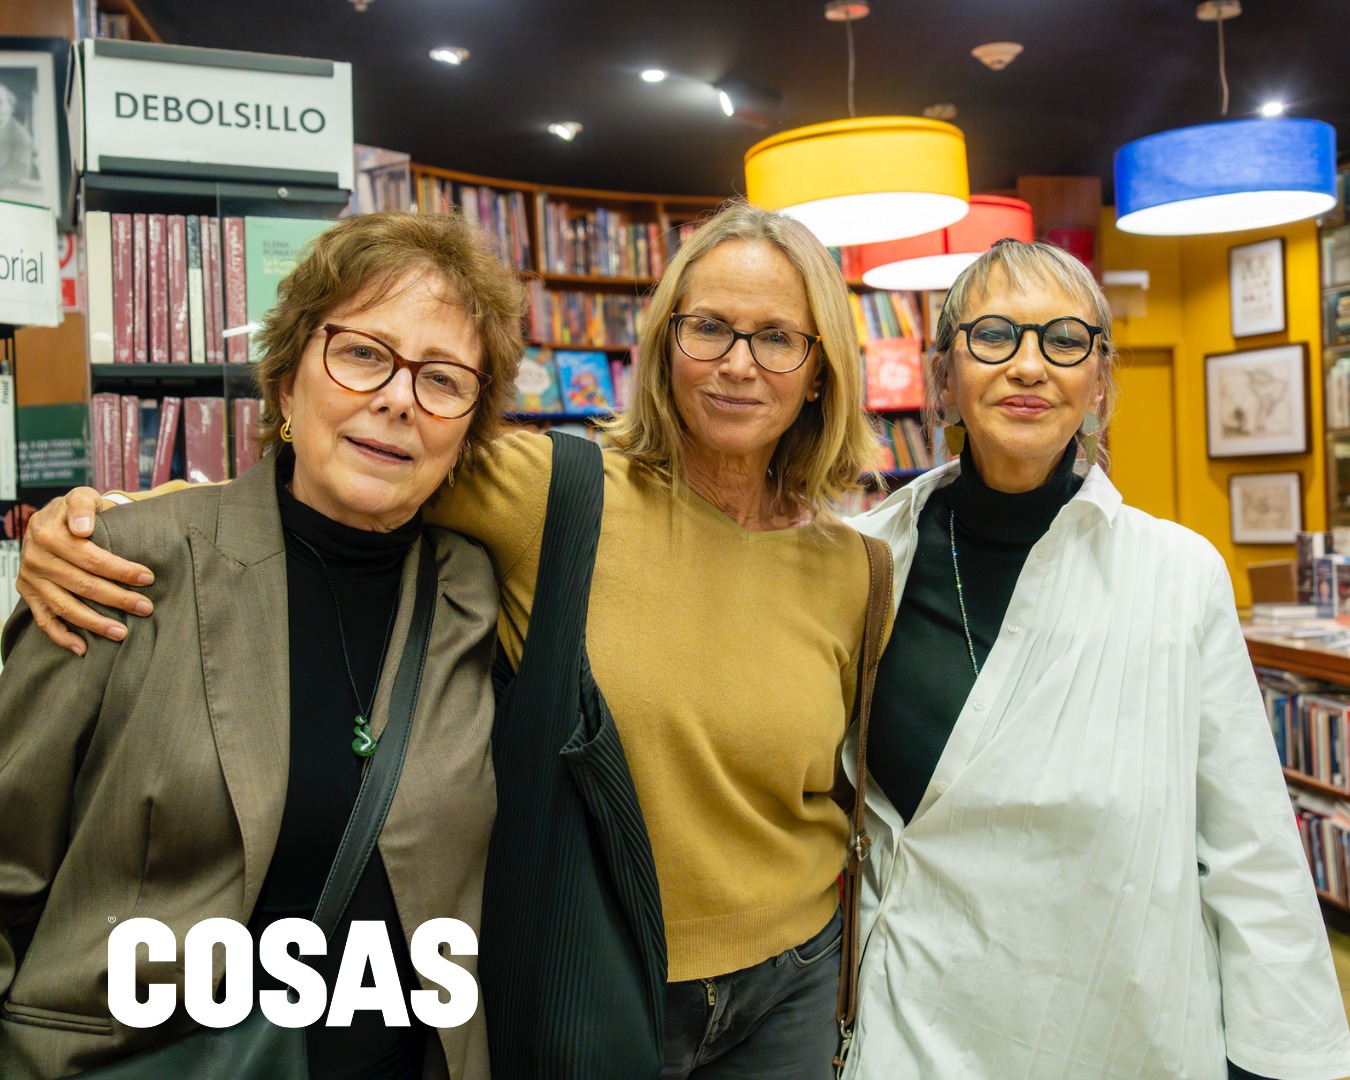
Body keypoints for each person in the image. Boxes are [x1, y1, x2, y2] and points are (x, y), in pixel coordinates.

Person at [13, 200, 885, 1079]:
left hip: (788, 983)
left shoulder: (854, 569)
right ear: (666, 345)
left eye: (779, 338)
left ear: (821, 371)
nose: (739, 362)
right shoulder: (557, 496)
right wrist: (99, 520)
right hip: (600, 986)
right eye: (710, 328)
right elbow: (320, 478)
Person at [0, 210, 524, 1078]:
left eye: (442, 378)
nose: (399, 399)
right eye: (364, 354)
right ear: (286, 384)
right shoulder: (122, 566)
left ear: (469, 426)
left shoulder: (475, 590)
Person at [838, 238, 1350, 1079]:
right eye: (993, 335)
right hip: (915, 1029)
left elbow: (1250, 846)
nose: (1029, 365)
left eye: (1065, 340)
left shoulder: (1178, 575)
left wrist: (1283, 1061)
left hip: (1116, 1029)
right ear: (943, 379)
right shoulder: (863, 562)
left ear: (1100, 382)